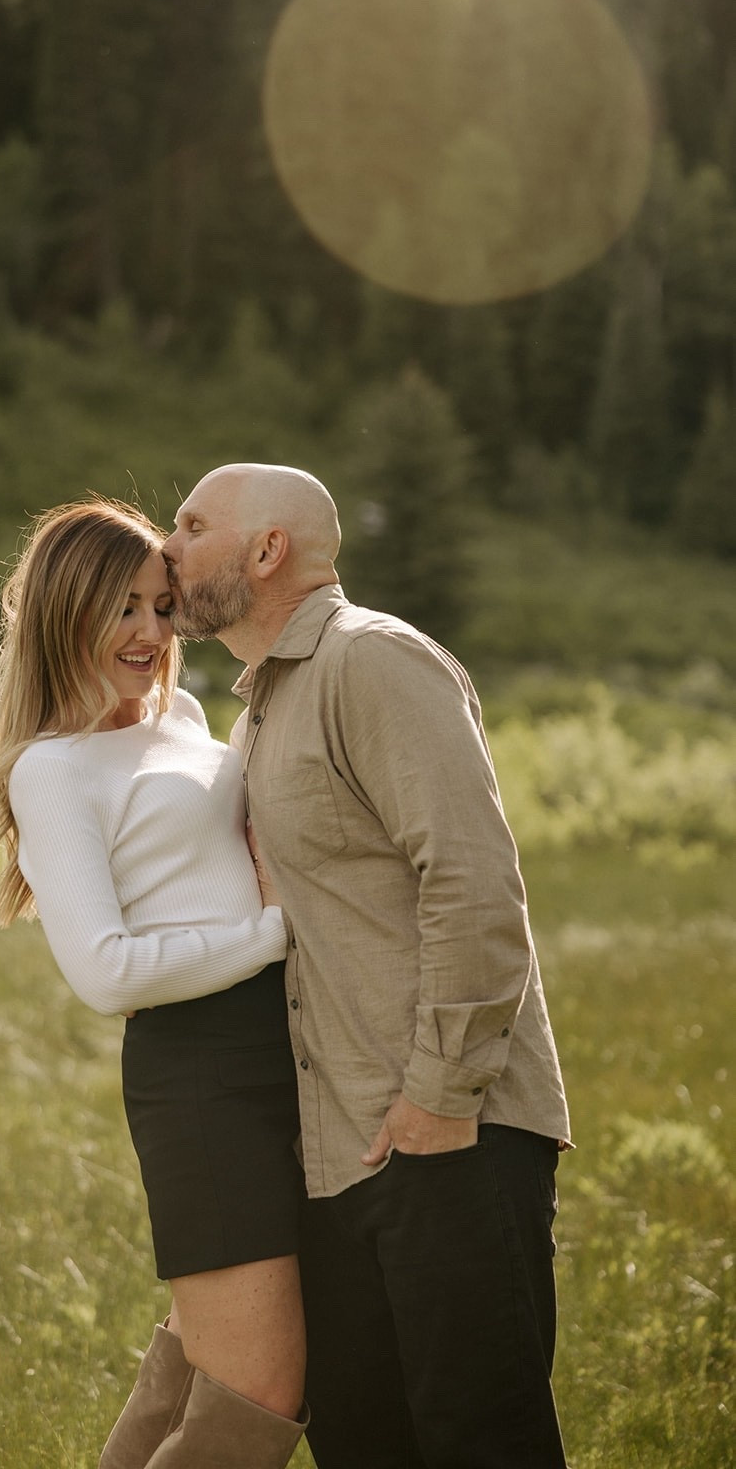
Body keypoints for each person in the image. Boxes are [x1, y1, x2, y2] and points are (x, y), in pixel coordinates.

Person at [163, 463, 572, 1469]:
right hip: (339, 1152)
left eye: (190, 524)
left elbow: (473, 883)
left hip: (449, 1134)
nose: (164, 547)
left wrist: (437, 1095)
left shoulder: (369, 661)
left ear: (266, 552)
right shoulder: (261, 711)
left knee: (481, 1442)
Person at [0, 497, 309, 1469]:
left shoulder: (187, 716)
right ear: (61, 611)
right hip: (198, 1073)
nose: (149, 633)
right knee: (260, 1391)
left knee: (203, 1366)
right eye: (121, 608)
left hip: (281, 1048)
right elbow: (104, 971)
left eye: (161, 607)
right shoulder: (50, 769)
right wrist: (276, 933)